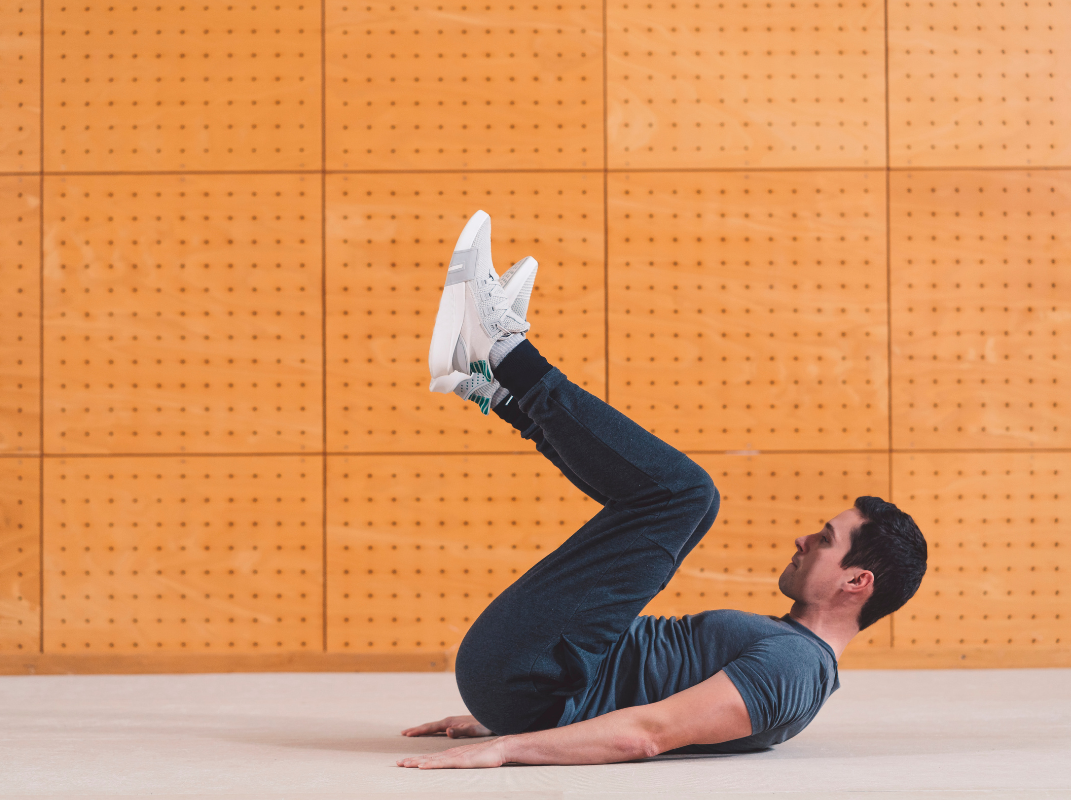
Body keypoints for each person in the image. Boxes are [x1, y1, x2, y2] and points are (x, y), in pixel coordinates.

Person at [396, 211, 928, 769]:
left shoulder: (795, 670)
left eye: (825, 540)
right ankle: (494, 385)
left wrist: (508, 743)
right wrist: (497, 717)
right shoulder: (792, 654)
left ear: (856, 581)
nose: (803, 539)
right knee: (671, 503)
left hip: (535, 683)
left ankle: (505, 355)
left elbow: (648, 733)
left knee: (686, 497)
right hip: (532, 683)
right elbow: (642, 695)